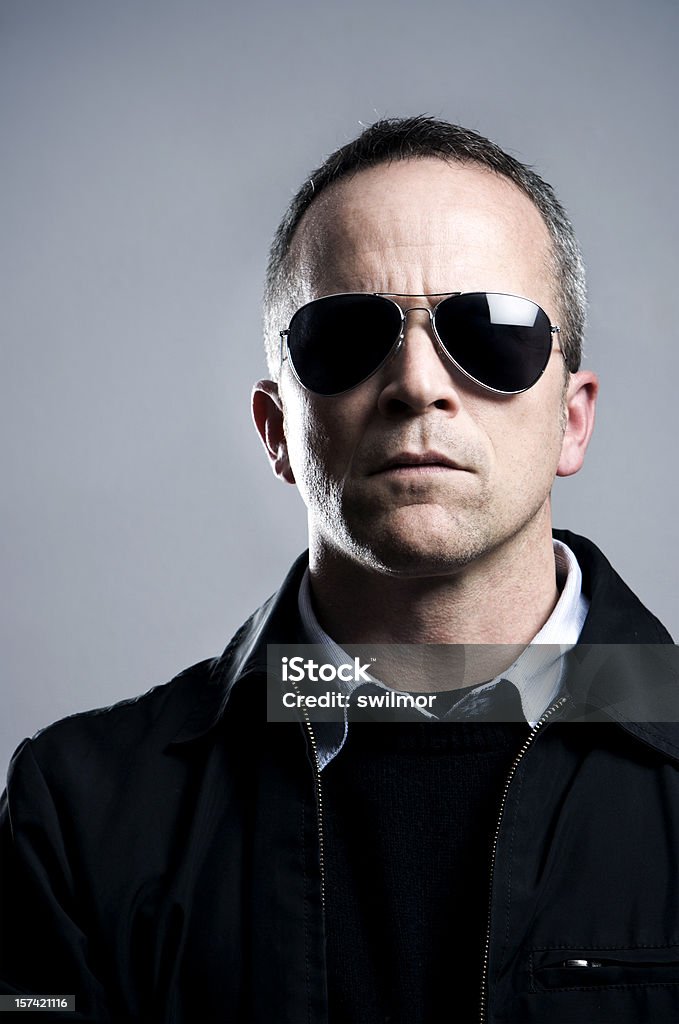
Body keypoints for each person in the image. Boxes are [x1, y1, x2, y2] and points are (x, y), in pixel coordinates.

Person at [1, 116, 677, 1024]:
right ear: (277, 428)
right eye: (347, 335)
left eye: (492, 332)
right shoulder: (79, 817)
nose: (417, 382)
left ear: (571, 420)